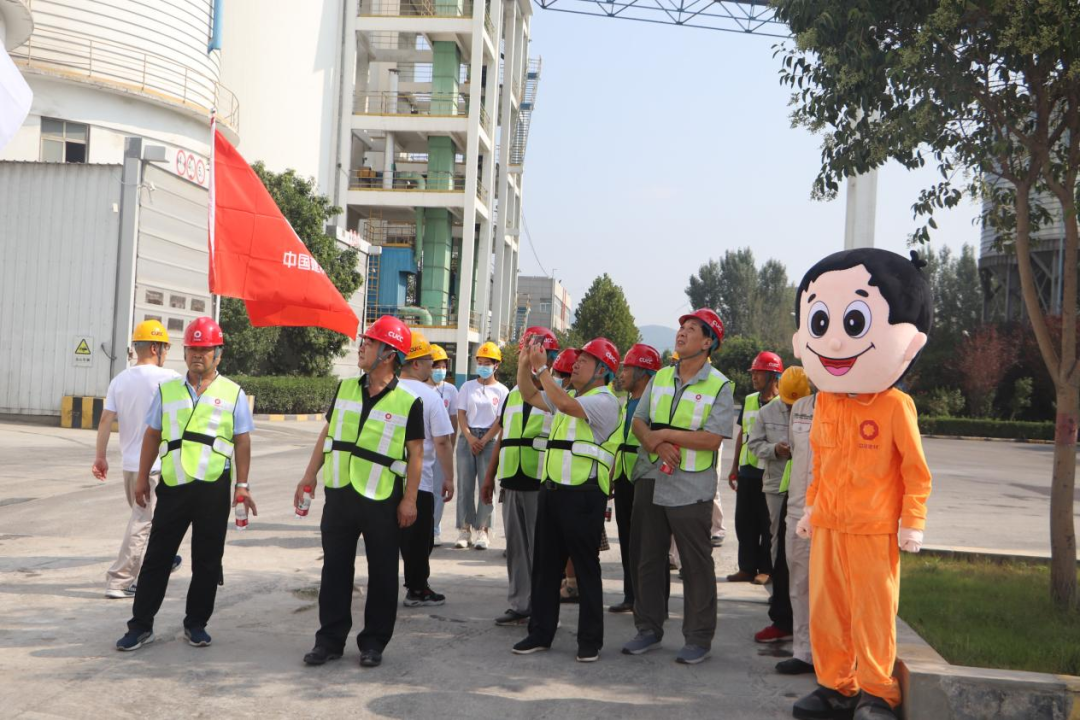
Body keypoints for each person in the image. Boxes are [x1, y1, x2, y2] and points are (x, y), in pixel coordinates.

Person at [790, 249, 933, 720]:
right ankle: (837, 688)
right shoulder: (827, 404)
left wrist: (912, 522)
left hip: (874, 529)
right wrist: (811, 509)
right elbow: (820, 466)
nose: (833, 343)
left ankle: (877, 693)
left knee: (873, 615)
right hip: (829, 525)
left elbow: (916, 471)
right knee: (827, 614)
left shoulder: (894, 407)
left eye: (851, 322)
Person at [115, 317, 255, 652]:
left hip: (213, 488)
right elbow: (152, 434)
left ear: (218, 354)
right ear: (185, 351)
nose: (198, 355)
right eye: (193, 348)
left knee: (207, 559)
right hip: (174, 485)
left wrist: (243, 485)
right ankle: (140, 626)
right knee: (158, 557)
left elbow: (242, 441)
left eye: (205, 349)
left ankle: (196, 624)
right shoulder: (168, 391)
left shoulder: (233, 393)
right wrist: (142, 478)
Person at [296, 315, 424, 669]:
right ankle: (329, 640)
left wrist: (410, 499)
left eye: (369, 342)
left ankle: (373, 642)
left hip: (382, 498)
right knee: (335, 569)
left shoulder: (408, 402)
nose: (362, 346)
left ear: (388, 354)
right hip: (340, 494)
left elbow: (416, 454)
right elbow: (328, 434)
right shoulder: (345, 388)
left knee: (383, 573)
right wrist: (309, 476)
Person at [621, 309, 734, 666]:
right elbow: (639, 421)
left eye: (692, 329)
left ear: (708, 342)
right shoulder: (661, 378)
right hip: (652, 479)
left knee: (695, 564)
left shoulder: (719, 385)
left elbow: (713, 437)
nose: (682, 333)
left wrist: (665, 435)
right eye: (681, 327)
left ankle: (698, 638)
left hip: (690, 487)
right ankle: (648, 629)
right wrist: (655, 444)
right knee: (648, 559)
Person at [511, 337, 622, 663]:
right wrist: (524, 364)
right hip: (554, 491)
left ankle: (590, 641)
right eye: (577, 359)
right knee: (545, 569)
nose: (575, 364)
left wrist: (543, 369)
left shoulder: (605, 401)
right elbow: (529, 393)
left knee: (586, 569)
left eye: (585, 361)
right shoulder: (567, 395)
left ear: (602, 371)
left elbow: (569, 407)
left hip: (584, 495)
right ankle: (540, 633)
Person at [95, 320, 181, 599]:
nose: (166, 353)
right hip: (155, 467)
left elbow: (106, 419)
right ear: (156, 347)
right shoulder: (169, 379)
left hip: (130, 466)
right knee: (142, 522)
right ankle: (119, 580)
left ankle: (164, 559)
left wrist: (100, 457)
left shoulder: (120, 380)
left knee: (150, 519)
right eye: (166, 347)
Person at [481, 326, 560, 626]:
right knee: (515, 547)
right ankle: (519, 603)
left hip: (541, 480)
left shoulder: (558, 390)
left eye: (534, 351)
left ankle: (542, 606)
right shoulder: (513, 394)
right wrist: (490, 477)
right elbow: (504, 436)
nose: (527, 356)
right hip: (512, 478)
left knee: (540, 549)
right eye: (525, 351)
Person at [748, 366, 812, 646]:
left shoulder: (817, 410)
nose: (791, 408)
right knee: (782, 548)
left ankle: (801, 622)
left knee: (805, 559)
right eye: (788, 402)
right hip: (779, 486)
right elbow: (753, 443)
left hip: (809, 491)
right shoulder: (767, 412)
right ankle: (782, 608)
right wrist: (776, 451)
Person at [397, 330, 455, 607]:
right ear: (417, 364)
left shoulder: (389, 390)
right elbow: (442, 442)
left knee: (389, 538)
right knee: (419, 540)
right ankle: (417, 588)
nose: (435, 368)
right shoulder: (430, 397)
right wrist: (450, 477)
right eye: (431, 362)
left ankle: (386, 587)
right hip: (420, 482)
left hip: (386, 480)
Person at [604, 342, 661, 614]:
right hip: (626, 475)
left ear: (643, 372)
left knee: (648, 542)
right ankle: (631, 595)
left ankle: (652, 601)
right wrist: (613, 474)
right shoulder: (625, 403)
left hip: (646, 477)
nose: (622, 373)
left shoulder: (655, 404)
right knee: (627, 538)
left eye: (627, 368)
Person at [726, 351, 784, 585]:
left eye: (759, 373)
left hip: (770, 471)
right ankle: (746, 567)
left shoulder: (783, 404)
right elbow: (742, 434)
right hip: (748, 470)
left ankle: (766, 569)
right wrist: (733, 467)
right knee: (745, 521)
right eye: (753, 372)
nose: (754, 377)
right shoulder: (750, 400)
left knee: (767, 523)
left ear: (772, 376)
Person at [454, 341, 509, 550]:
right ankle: (465, 529)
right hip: (467, 439)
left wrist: (484, 440)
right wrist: (469, 437)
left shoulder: (503, 391)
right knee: (465, 486)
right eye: (480, 362)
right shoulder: (468, 387)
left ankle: (484, 531)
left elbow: (500, 420)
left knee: (486, 487)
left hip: (489, 440)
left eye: (487, 362)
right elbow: (461, 413)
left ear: (496, 365)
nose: (483, 366)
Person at [780, 368, 816, 676]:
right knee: (800, 584)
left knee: (834, 590)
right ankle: (804, 652)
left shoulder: (854, 406)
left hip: (835, 515)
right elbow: (795, 450)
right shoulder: (802, 408)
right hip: (797, 510)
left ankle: (837, 657)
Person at [427, 344, 458, 547]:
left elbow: (454, 420)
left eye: (443, 366)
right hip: (422, 448)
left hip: (441, 449)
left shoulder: (451, 390)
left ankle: (434, 528)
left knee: (439, 490)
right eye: (436, 366)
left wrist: (450, 448)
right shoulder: (420, 388)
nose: (440, 370)